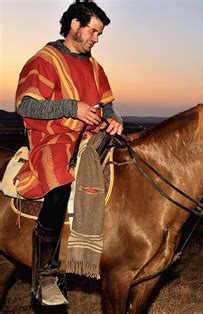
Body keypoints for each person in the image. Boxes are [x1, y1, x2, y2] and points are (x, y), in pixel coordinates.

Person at [14, 1, 122, 306]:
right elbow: (26, 106)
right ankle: (46, 275)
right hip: (53, 138)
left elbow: (108, 104)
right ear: (74, 24)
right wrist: (72, 107)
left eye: (100, 34)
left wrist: (113, 118)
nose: (96, 39)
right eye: (94, 31)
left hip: (90, 138)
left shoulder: (95, 66)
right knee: (61, 184)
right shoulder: (43, 60)